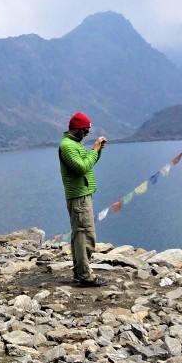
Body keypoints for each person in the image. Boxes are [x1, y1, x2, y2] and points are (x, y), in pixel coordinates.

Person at [58, 112, 108, 287]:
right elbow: (81, 168)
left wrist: (97, 151)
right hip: (79, 197)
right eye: (85, 130)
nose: (87, 133)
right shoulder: (68, 146)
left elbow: (87, 163)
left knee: (80, 234)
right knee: (85, 235)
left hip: (82, 194)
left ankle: (80, 273)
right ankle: (86, 276)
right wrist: (94, 150)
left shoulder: (74, 144)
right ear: (77, 129)